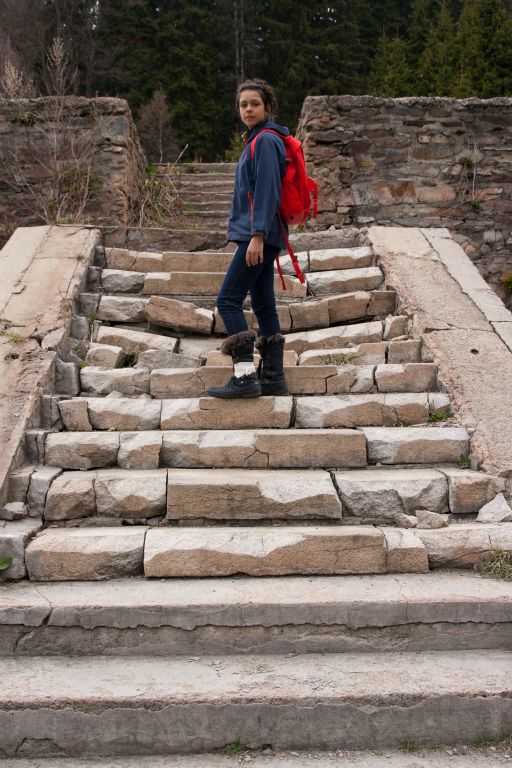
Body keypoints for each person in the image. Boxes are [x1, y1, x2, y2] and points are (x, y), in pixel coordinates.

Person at [207, 78, 289, 399]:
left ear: (268, 107)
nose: (248, 109)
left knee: (227, 300)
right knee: (263, 303)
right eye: (243, 105)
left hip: (259, 234)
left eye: (255, 103)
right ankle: (273, 377)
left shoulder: (265, 140)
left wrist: (257, 235)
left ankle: (244, 376)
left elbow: (267, 190)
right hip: (265, 233)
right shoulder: (258, 139)